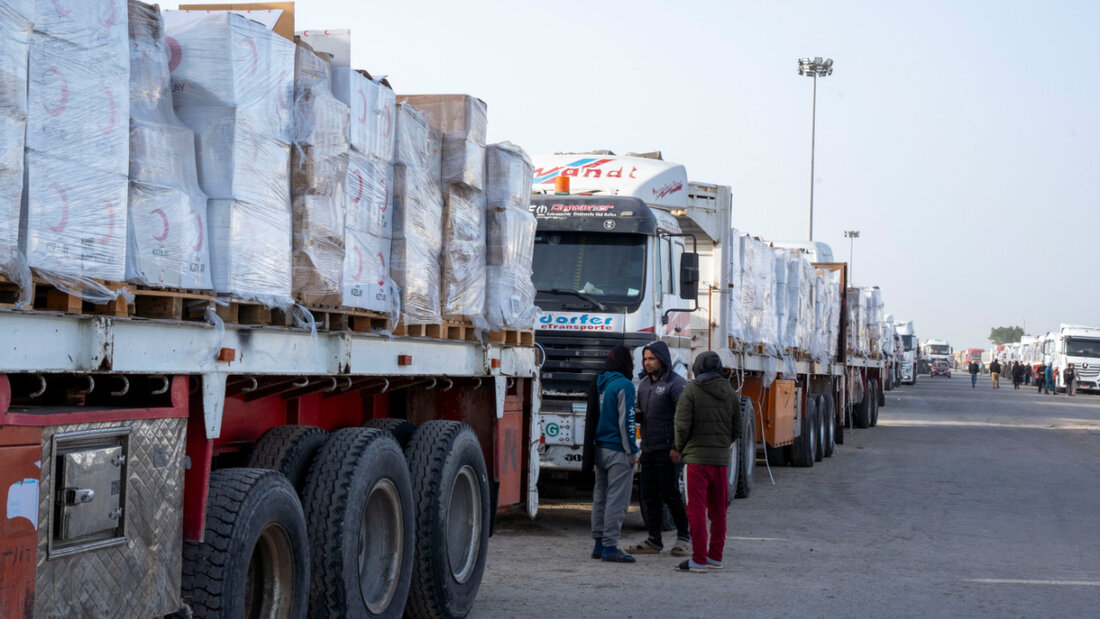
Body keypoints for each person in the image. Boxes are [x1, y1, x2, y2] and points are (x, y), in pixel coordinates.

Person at [671, 351, 741, 574]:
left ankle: (699, 559)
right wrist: (721, 445)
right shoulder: (730, 393)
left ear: (698, 368)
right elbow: (737, 428)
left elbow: (681, 425)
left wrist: (679, 448)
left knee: (696, 510)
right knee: (719, 511)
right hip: (721, 461)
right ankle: (715, 556)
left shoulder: (691, 390)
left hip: (696, 462)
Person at [628, 342, 691, 557]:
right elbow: (643, 415)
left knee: (671, 495)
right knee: (649, 496)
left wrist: (676, 447)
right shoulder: (644, 385)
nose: (647, 363)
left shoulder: (676, 384)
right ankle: (654, 539)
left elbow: (683, 419)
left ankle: (684, 537)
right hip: (648, 449)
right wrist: (637, 415)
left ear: (662, 360)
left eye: (651, 359)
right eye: (645, 359)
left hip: (668, 451)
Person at [581, 345, 639, 563]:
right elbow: (628, 422)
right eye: (631, 359)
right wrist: (631, 451)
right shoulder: (625, 385)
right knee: (617, 501)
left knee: (600, 498)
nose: (634, 363)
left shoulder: (601, 382)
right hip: (618, 451)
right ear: (624, 361)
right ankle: (610, 547)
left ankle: (598, 544)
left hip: (600, 449)